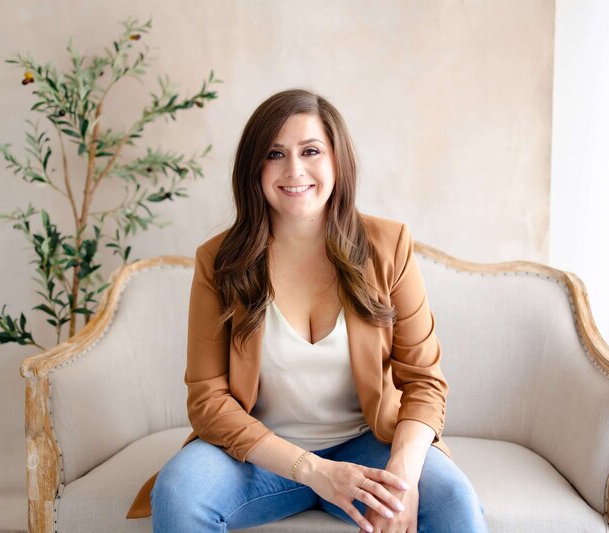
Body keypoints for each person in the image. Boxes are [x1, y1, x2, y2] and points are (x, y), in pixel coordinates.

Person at [126, 88, 488, 532]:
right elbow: (208, 399)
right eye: (275, 154)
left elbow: (424, 383)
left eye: (310, 150)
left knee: (454, 502)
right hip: (258, 456)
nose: (294, 170)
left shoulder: (388, 246)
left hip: (367, 444)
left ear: (337, 159)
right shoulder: (218, 260)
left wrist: (405, 478)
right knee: (179, 493)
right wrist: (312, 471)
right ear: (254, 169)